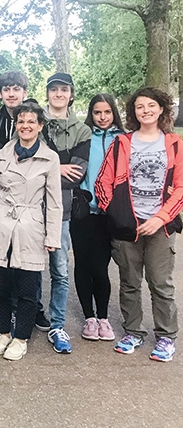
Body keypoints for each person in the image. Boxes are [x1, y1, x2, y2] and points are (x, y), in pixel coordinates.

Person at [95, 86, 183, 362]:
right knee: (130, 283)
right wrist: (118, 215)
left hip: (161, 226)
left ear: (161, 109)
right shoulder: (122, 144)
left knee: (160, 284)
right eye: (139, 107)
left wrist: (160, 218)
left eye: (150, 106)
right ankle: (132, 332)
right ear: (133, 112)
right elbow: (103, 183)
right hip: (126, 227)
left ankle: (166, 337)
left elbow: (181, 187)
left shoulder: (175, 144)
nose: (145, 111)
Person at [0, 102, 62, 361]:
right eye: (21, 121)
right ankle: (3, 332)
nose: (25, 126)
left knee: (27, 288)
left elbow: (54, 202)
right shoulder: (3, 153)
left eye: (31, 122)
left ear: (40, 126)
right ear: (16, 125)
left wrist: (52, 236)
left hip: (30, 226)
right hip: (1, 224)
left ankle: (21, 337)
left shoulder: (50, 158)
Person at [43, 72, 91, 354]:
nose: (59, 94)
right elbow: (24, 167)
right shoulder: (32, 120)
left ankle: (57, 324)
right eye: (54, 89)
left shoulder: (81, 131)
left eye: (64, 90)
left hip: (61, 210)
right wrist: (57, 166)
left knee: (59, 270)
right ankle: (30, 313)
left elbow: (75, 174)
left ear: (70, 94)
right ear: (48, 93)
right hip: (30, 208)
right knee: (29, 267)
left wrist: (47, 166)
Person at [72, 94, 124, 341]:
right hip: (84, 211)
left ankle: (103, 317)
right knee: (82, 265)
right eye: (97, 113)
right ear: (90, 114)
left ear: (113, 113)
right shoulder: (84, 137)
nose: (102, 117)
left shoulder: (123, 140)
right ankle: (89, 318)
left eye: (106, 112)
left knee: (101, 268)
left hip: (110, 213)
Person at [0, 71, 29, 146]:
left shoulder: (34, 119)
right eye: (6, 90)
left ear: (24, 93)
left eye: (16, 89)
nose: (11, 94)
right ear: (0, 94)